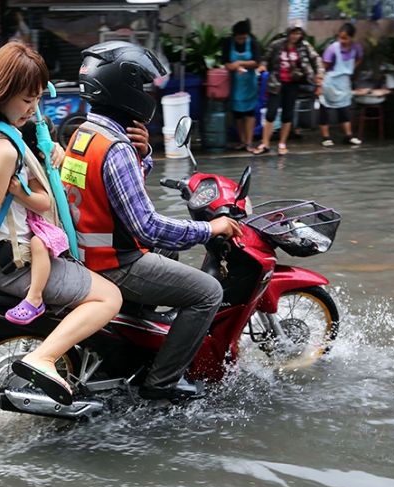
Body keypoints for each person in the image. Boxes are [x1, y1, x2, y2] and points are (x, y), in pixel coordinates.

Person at [64, 41, 242, 402]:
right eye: (140, 86)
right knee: (208, 293)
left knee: (168, 253)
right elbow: (147, 226)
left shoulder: (84, 133)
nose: (144, 94)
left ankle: (139, 341)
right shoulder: (114, 148)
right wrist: (211, 228)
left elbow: (112, 193)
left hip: (87, 253)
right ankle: (162, 383)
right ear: (123, 90)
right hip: (115, 263)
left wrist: (142, 155)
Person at [0, 41, 122, 405]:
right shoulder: (1, 149)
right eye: (25, 100)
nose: (32, 110)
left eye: (36, 100)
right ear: (2, 92)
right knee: (110, 296)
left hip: (5, 256)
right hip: (12, 263)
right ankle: (42, 358)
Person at [2, 118, 71, 325]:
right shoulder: (17, 160)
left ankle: (35, 297)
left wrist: (18, 192)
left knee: (38, 243)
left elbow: (44, 203)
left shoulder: (41, 164)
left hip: (46, 225)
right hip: (32, 225)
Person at [253, 21, 324, 155]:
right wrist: (262, 66)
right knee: (271, 113)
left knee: (288, 114)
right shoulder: (277, 45)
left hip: (292, 84)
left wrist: (319, 77)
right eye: (293, 33)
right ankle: (265, 143)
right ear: (288, 33)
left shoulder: (304, 47)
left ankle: (282, 143)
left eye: (298, 33)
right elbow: (265, 58)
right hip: (276, 83)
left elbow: (316, 60)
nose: (295, 36)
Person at [319, 23, 363, 147]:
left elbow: (360, 58)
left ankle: (348, 135)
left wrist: (352, 68)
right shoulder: (332, 48)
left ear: (351, 38)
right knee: (325, 109)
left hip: (344, 82)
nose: (342, 40)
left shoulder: (356, 48)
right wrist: (319, 84)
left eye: (345, 38)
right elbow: (324, 66)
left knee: (344, 109)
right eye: (340, 37)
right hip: (330, 81)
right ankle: (325, 137)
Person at [222, 19, 261, 151]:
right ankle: (242, 141)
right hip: (235, 83)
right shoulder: (228, 43)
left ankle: (249, 142)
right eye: (239, 38)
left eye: (243, 38)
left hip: (249, 82)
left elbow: (256, 62)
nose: (241, 41)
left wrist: (240, 63)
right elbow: (226, 63)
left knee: (249, 113)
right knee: (238, 113)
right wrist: (233, 66)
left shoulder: (253, 42)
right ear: (234, 36)